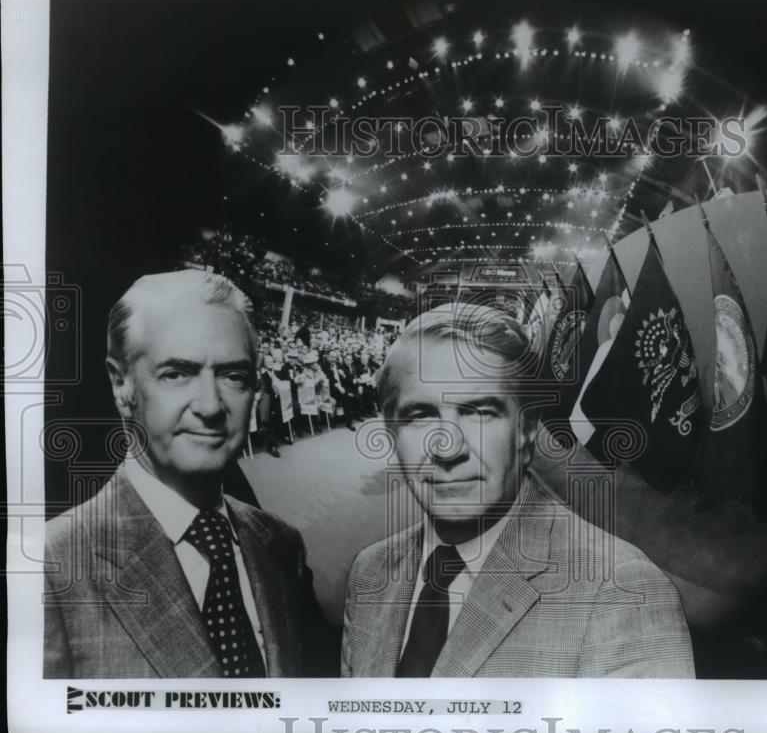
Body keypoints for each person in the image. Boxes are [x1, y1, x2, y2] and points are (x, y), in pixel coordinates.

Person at [341, 303, 696, 678]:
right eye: (420, 416)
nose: (447, 447)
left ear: (526, 429)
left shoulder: (622, 593)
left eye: (479, 412)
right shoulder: (369, 572)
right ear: (391, 434)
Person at [44, 270, 335, 678]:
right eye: (176, 374)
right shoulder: (49, 568)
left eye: (234, 376)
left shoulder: (281, 545)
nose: (210, 406)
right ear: (120, 384)